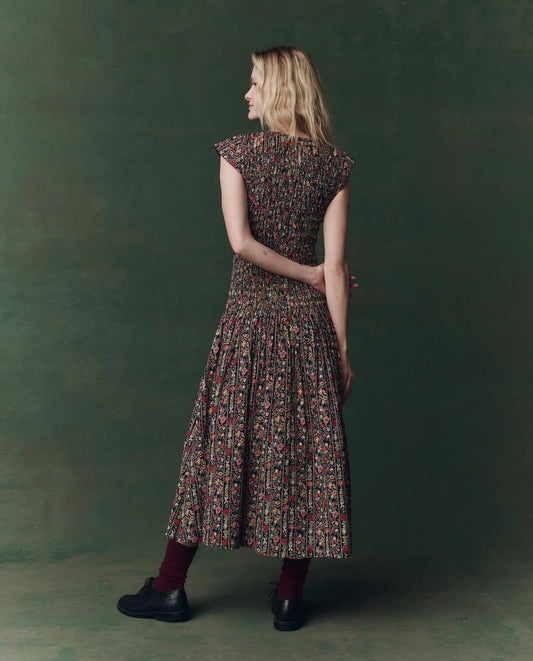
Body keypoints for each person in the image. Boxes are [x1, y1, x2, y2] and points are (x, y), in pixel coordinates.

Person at [117, 45, 357, 632]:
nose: (247, 93)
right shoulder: (333, 166)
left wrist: (308, 275)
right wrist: (342, 350)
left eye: (254, 82)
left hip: (250, 324)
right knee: (305, 457)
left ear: (278, 89)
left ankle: (169, 588)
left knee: (214, 449)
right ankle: (289, 599)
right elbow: (334, 267)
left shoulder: (238, 154)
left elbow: (242, 243)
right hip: (309, 330)